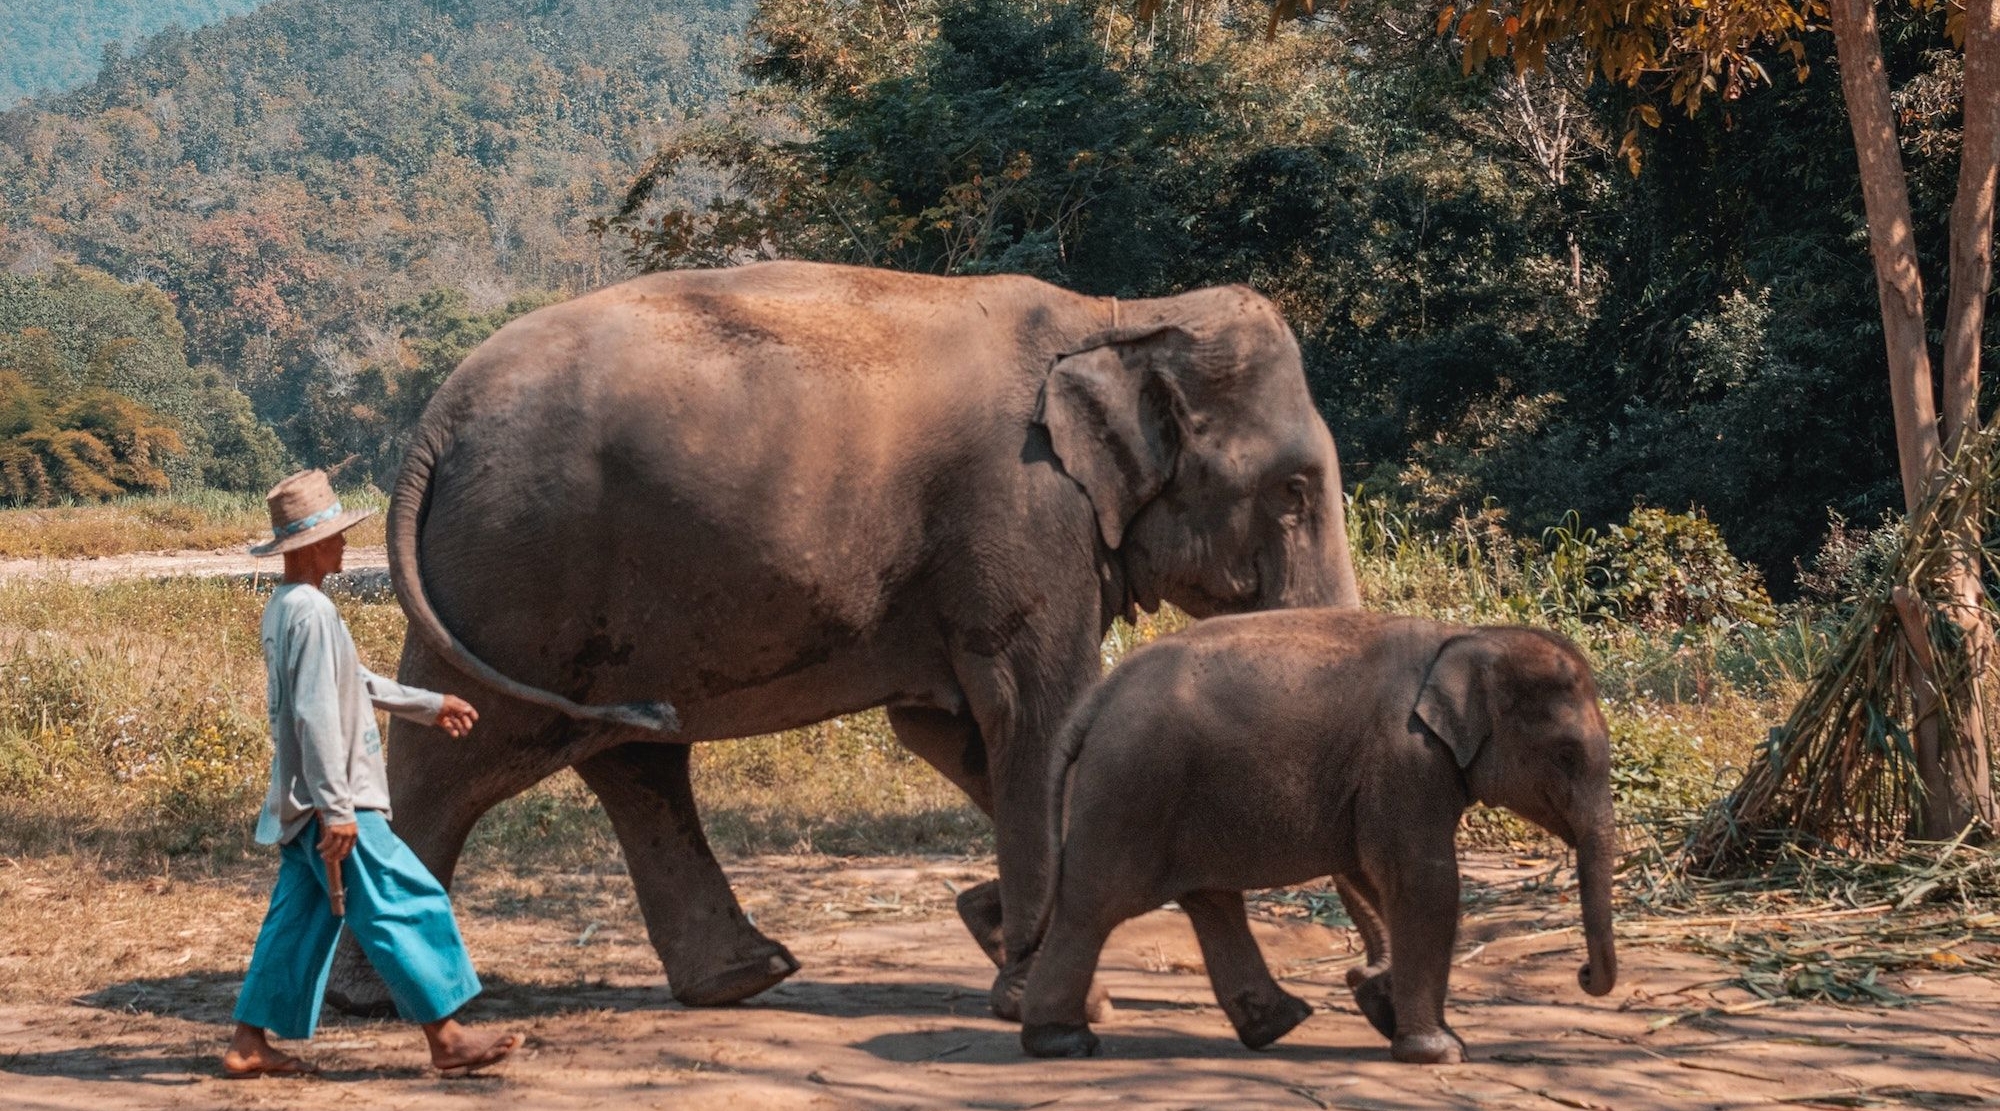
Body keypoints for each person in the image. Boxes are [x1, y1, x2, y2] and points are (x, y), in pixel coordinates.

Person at [222, 469, 521, 1079]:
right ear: (306, 547)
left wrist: (428, 704)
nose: (342, 545)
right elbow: (312, 712)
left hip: (301, 803)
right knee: (405, 902)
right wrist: (338, 808)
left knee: (297, 923)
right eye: (334, 535)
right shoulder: (310, 610)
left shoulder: (288, 607)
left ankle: (249, 1042)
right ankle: (446, 1036)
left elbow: (348, 684)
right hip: (335, 800)